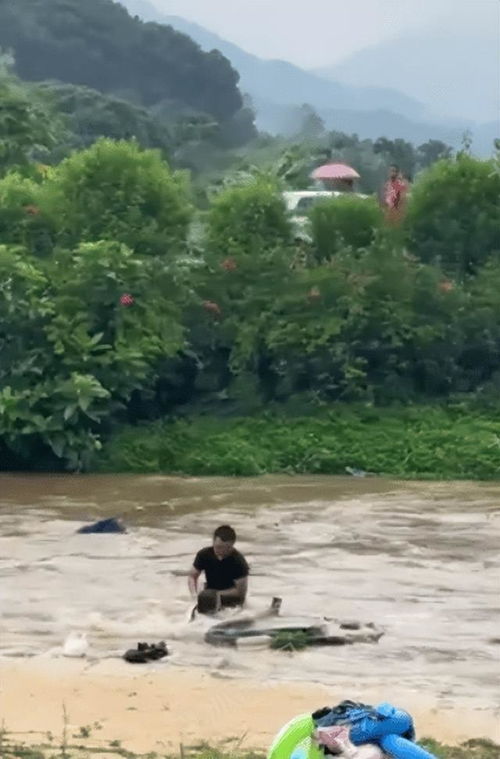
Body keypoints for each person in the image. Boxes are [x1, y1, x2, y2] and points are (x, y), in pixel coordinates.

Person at [188, 525, 249, 615]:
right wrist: (194, 595)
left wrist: (216, 594)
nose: (221, 551)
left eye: (227, 548)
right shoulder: (204, 554)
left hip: (231, 601)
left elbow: (240, 592)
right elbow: (192, 576)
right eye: (218, 547)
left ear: (232, 545)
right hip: (209, 597)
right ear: (213, 541)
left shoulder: (239, 561)